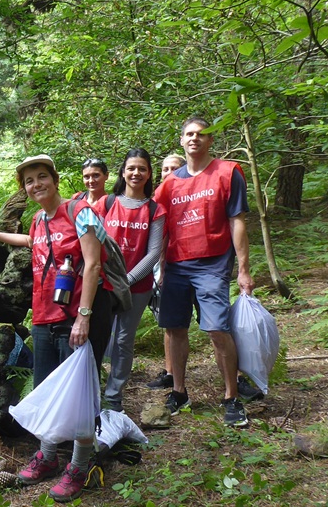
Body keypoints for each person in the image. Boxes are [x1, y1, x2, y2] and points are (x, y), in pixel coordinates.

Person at [0, 155, 112, 502]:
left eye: (41, 177)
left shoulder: (81, 213)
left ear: (55, 179)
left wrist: (84, 315)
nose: (36, 185)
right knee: (47, 389)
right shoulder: (38, 220)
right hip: (45, 317)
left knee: (80, 394)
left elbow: (93, 264)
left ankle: (80, 465)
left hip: (76, 317)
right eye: (29, 181)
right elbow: (33, 242)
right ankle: (48, 457)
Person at [154, 116, 254, 427]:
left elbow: (237, 221)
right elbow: (157, 227)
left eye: (201, 134)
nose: (194, 138)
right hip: (176, 265)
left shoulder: (227, 173)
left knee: (216, 328)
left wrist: (244, 269)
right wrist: (156, 268)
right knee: (173, 328)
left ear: (211, 140)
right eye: (188, 134)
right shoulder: (169, 184)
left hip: (212, 263)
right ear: (181, 141)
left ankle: (231, 397)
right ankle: (179, 392)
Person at [98, 148, 165, 413]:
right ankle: (92, 388)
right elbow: (94, 241)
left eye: (142, 169)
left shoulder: (154, 209)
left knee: (124, 339)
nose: (136, 173)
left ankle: (114, 396)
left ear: (149, 174)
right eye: (131, 168)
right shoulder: (106, 203)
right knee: (98, 336)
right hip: (104, 284)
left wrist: (126, 280)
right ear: (123, 171)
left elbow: (154, 252)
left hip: (137, 287)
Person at [146, 153, 186, 390]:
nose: (168, 173)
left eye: (174, 168)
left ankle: (236, 377)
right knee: (166, 320)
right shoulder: (155, 201)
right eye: (164, 168)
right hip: (161, 264)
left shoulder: (189, 195)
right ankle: (170, 372)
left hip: (190, 263)